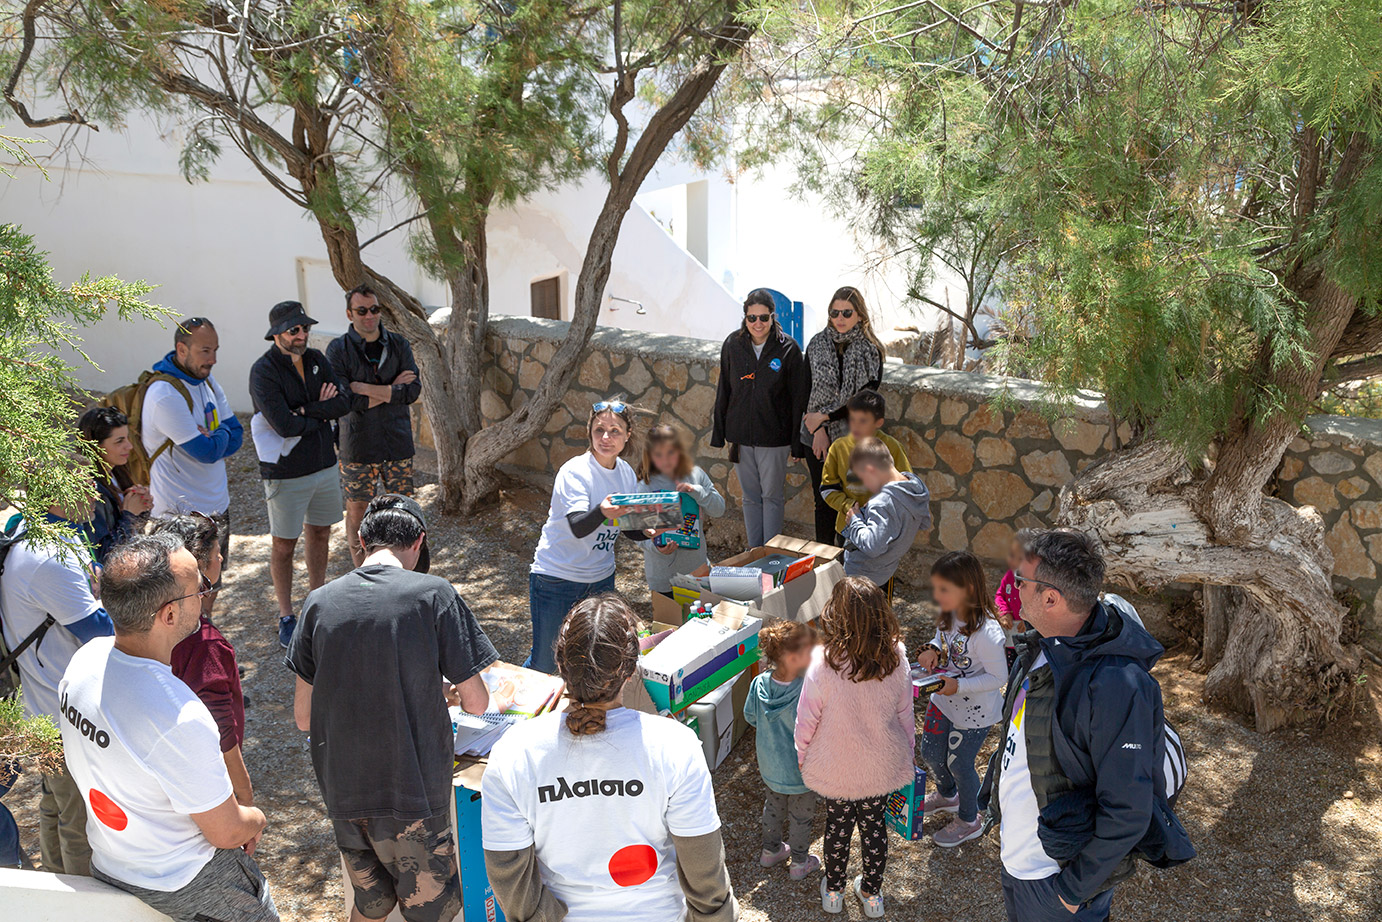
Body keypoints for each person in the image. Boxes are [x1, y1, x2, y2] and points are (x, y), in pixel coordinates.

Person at [286, 493, 498, 922]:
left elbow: (304, 717)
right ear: (418, 542)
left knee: (371, 906)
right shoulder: (434, 595)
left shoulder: (318, 602)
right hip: (412, 795)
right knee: (431, 913)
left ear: (362, 540)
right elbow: (477, 703)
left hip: (346, 794)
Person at [978, 530, 1194, 921]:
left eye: (1021, 580)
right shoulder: (1042, 645)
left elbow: (1128, 809)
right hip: (1019, 860)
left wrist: (1072, 891)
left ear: (1050, 598)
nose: (1013, 587)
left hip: (1054, 881)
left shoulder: (1117, 684)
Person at [59, 534, 276, 922]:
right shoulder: (178, 715)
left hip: (112, 863)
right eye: (198, 589)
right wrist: (256, 817)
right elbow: (226, 832)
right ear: (169, 615)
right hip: (189, 882)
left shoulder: (83, 663)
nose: (205, 594)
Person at [482, 594, 738, 922]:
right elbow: (704, 869)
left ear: (560, 664)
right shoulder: (675, 746)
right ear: (631, 670)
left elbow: (507, 873)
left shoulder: (513, 753)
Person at [0, 501, 113, 876]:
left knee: (55, 805)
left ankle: (54, 884)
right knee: (80, 822)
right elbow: (101, 631)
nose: (93, 492)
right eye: (81, 480)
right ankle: (83, 900)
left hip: (43, 706)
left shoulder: (28, 533)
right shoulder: (49, 556)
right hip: (66, 714)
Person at [795, 577, 914, 918]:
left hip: (837, 765)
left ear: (836, 614)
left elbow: (806, 720)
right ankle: (872, 894)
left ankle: (834, 891)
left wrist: (803, 756)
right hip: (879, 765)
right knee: (874, 828)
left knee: (837, 828)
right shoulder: (896, 658)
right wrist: (908, 753)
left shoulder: (824, 663)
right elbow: (906, 714)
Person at [249, 300, 351, 648]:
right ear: (277, 334)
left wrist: (306, 411)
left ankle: (316, 601)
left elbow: (344, 402)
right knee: (283, 544)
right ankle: (286, 615)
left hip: (323, 465)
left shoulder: (317, 359)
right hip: (286, 473)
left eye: (305, 328)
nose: (302, 334)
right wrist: (321, 413)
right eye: (294, 329)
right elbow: (283, 425)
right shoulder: (263, 372)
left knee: (320, 533)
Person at [526, 399, 655, 674]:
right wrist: (603, 511)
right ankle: (512, 697)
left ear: (627, 435)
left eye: (615, 431)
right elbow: (578, 526)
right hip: (557, 578)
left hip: (601, 578)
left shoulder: (625, 473)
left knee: (591, 658)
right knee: (546, 663)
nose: (606, 438)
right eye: (599, 430)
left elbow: (626, 526)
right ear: (589, 432)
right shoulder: (575, 471)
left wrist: (649, 532)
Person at [149, 515, 253, 807]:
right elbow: (222, 732)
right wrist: (244, 798)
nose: (221, 557)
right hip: (202, 782)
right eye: (216, 553)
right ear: (198, 569)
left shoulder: (147, 621)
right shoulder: (205, 646)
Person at [326, 283, 423, 568]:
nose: (369, 315)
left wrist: (363, 387)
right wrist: (392, 389)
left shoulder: (399, 344)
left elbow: (411, 392)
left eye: (374, 309)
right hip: (357, 444)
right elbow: (345, 400)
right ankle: (362, 574)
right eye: (362, 311)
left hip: (397, 441)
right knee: (357, 510)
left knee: (403, 510)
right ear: (349, 314)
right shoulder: (338, 349)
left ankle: (405, 575)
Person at [917, 551, 1007, 848]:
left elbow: (999, 678)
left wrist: (959, 686)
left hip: (974, 713)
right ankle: (948, 795)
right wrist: (931, 648)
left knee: (960, 764)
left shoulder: (988, 633)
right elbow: (941, 638)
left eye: (944, 589)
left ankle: (970, 819)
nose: (937, 596)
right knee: (930, 752)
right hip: (943, 700)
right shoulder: (950, 613)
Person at [711, 289, 808, 547]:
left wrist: (796, 443)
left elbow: (798, 399)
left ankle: (770, 554)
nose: (757, 324)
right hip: (741, 436)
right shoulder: (733, 345)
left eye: (763, 318)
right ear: (745, 317)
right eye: (751, 318)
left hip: (774, 438)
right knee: (750, 498)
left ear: (772, 317)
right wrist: (719, 433)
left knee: (772, 497)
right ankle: (755, 552)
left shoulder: (788, 348)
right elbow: (724, 389)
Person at [142, 317, 243, 565]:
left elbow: (237, 436)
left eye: (215, 350)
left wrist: (215, 434)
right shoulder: (165, 394)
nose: (213, 359)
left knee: (213, 580)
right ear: (182, 349)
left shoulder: (207, 381)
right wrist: (221, 432)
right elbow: (206, 452)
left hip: (217, 508)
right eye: (205, 351)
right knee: (183, 586)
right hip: (178, 517)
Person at [801, 286, 885, 545]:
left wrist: (824, 418)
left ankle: (849, 561)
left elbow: (864, 401)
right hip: (815, 435)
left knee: (853, 500)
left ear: (860, 315)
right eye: (834, 312)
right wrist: (818, 429)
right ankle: (824, 558)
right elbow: (804, 391)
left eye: (847, 313)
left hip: (854, 438)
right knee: (823, 500)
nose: (840, 318)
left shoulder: (870, 351)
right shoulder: (817, 344)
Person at [743, 619, 819, 880]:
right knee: (801, 817)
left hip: (771, 767)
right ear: (792, 658)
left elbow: (750, 716)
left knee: (773, 809)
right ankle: (799, 863)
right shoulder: (806, 689)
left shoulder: (758, 684)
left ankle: (770, 850)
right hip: (800, 771)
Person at [637, 424, 725, 599]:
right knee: (669, 617)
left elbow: (719, 510)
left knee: (701, 614)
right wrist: (656, 547)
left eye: (671, 452)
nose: (666, 460)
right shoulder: (644, 486)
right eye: (658, 454)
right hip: (663, 577)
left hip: (697, 570)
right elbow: (636, 533)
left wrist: (697, 492)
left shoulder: (696, 474)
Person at [840, 437, 932, 598]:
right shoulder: (912, 488)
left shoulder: (882, 503)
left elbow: (873, 546)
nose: (865, 486)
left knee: (855, 614)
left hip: (862, 577)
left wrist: (855, 520)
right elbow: (923, 522)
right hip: (885, 570)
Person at [818, 389, 912, 545]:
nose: (855, 426)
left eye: (863, 421)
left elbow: (905, 487)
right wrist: (848, 506)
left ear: (878, 422)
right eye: (852, 419)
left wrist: (879, 505)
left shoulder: (892, 447)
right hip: (847, 527)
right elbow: (828, 488)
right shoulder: (838, 447)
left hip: (883, 528)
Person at [77, 406, 153, 564]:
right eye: (119, 441)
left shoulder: (117, 472)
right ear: (95, 446)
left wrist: (142, 507)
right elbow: (104, 554)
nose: (129, 446)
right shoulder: (90, 490)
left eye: (127, 438)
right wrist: (129, 515)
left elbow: (132, 533)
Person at [994, 529, 1038, 669]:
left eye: (1019, 558)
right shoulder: (1009, 575)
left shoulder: (1036, 580)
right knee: (1012, 668)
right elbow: (1000, 595)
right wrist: (1004, 612)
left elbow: (1038, 603)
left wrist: (1028, 619)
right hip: (1011, 636)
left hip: (1030, 636)